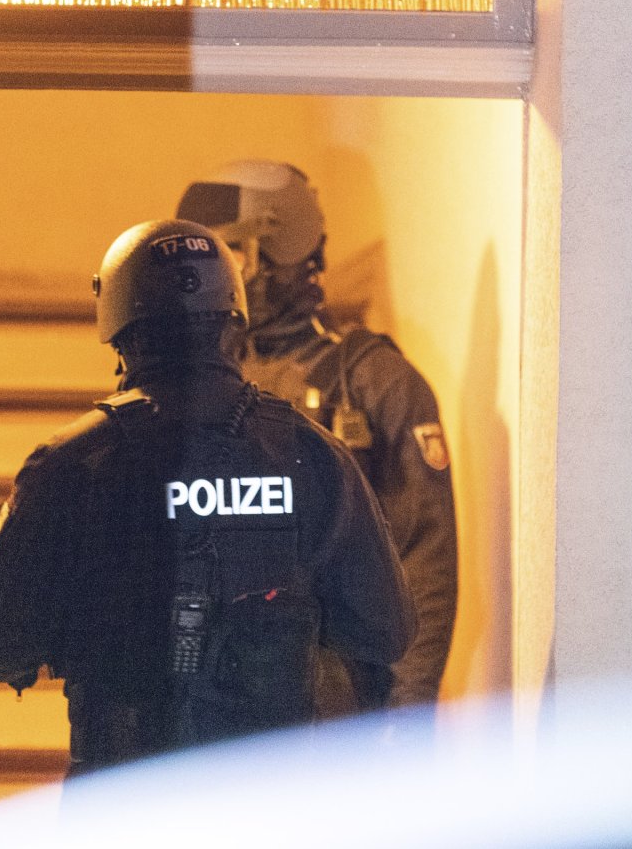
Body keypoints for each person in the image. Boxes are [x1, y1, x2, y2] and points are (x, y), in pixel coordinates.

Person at [0, 219, 415, 775]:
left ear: (120, 332)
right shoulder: (314, 456)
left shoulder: (71, 465)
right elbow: (385, 630)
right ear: (233, 322)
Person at [176, 161, 458, 718]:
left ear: (277, 251)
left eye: (227, 256)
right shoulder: (188, 387)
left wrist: (404, 723)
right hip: (208, 713)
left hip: (334, 713)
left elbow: (424, 563)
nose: (210, 280)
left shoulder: (377, 384)